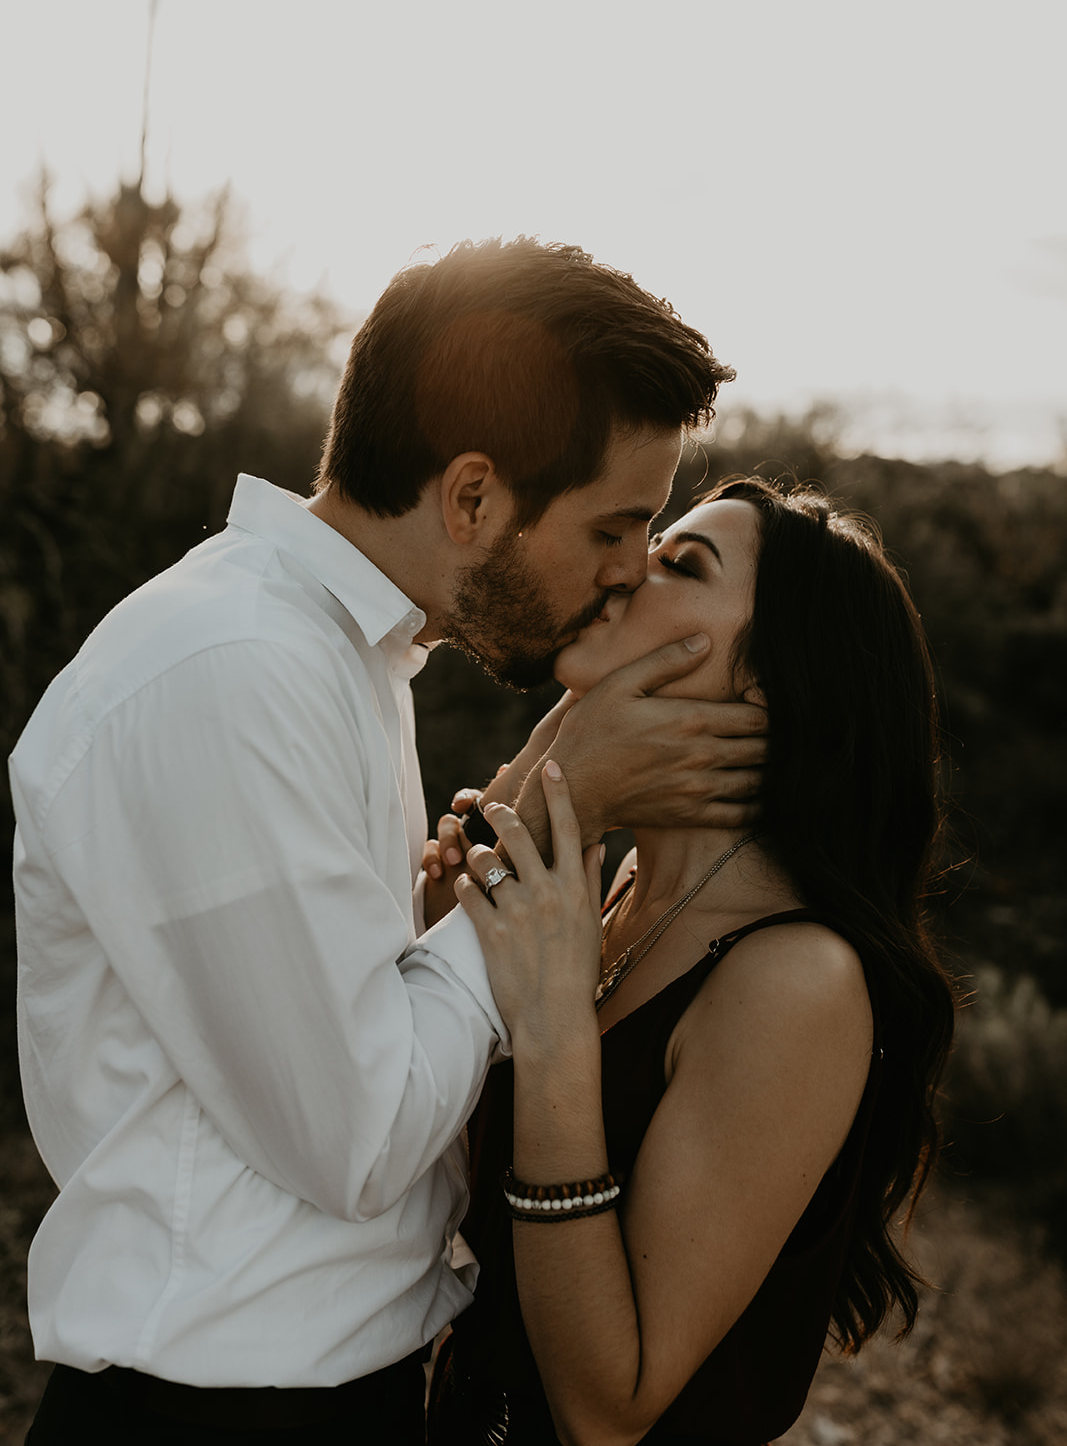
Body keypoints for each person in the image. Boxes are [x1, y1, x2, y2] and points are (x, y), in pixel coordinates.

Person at [9, 236, 766, 1444]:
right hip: (212, 1410)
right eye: (615, 529)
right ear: (471, 498)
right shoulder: (239, 672)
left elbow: (355, 1022)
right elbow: (361, 1138)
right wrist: (559, 795)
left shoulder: (338, 658)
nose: (627, 576)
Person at [426, 476, 957, 1446]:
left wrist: (547, 1034)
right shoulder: (619, 889)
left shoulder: (792, 979)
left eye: (678, 563)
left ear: (765, 679)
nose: (626, 567)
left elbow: (608, 1407)